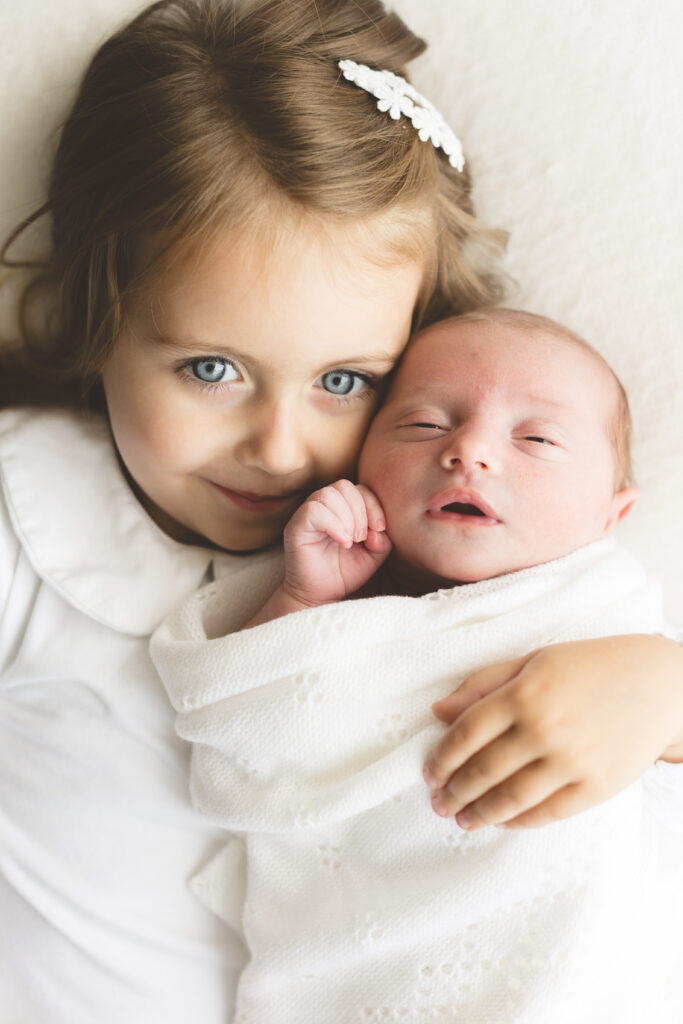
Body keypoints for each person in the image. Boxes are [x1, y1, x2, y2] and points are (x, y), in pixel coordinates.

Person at [0, 0, 680, 1020]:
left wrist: (661, 686)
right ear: (98, 317)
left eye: (346, 380)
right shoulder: (32, 513)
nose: (279, 448)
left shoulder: (456, 527)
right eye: (210, 368)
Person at [153, 309, 683, 1022]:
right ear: (360, 464)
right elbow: (240, 757)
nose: (469, 451)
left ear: (611, 515)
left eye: (536, 437)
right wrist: (302, 602)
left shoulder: (606, 613)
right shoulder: (334, 613)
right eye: (425, 425)